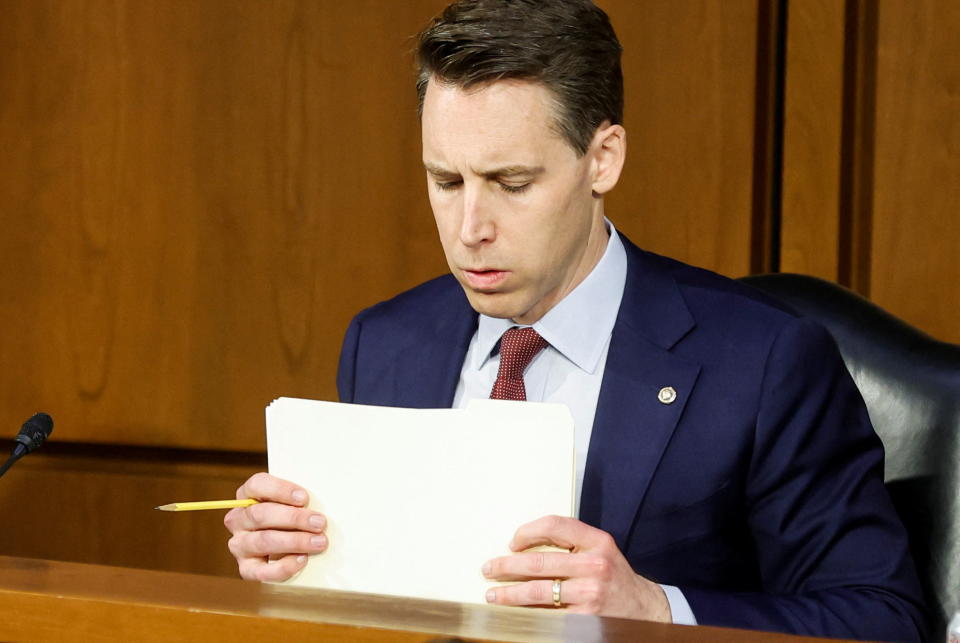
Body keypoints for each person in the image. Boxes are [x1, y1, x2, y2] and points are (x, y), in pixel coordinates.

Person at [224, 1, 928, 639]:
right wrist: (301, 563)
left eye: (512, 183)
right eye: (446, 181)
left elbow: (881, 617)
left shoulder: (765, 361)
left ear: (603, 159)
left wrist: (655, 608)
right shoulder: (383, 344)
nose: (470, 227)